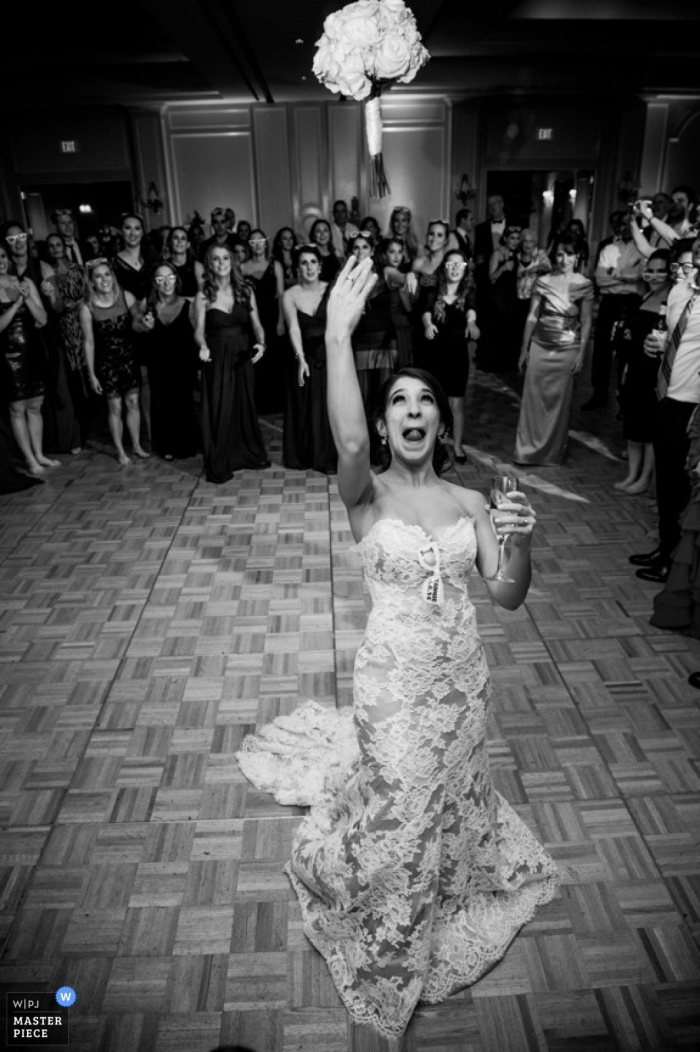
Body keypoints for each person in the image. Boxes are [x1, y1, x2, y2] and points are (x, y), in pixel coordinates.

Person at [237, 256, 559, 1040]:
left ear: (440, 423)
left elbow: (507, 594)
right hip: (391, 683)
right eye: (399, 404)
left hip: (462, 684)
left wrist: (520, 543)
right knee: (399, 796)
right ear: (383, 426)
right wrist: (336, 337)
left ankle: (446, 869)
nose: (413, 411)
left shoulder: (471, 499)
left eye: (425, 402)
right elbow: (342, 432)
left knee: (446, 796)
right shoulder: (365, 491)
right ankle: (393, 915)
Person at [630, 236, 700, 583]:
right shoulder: (679, 293)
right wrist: (656, 345)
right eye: (686, 263)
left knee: (681, 485)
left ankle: (675, 561)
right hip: (666, 396)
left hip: (692, 404)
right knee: (667, 483)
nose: (690, 269)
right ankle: (664, 547)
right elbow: (671, 338)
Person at [515, 234, 594, 466]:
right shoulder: (543, 281)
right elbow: (532, 315)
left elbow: (587, 321)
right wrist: (524, 348)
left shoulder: (584, 284)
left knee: (559, 403)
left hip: (568, 347)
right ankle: (527, 451)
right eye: (559, 254)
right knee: (533, 399)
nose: (563, 259)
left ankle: (552, 454)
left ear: (577, 256)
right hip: (540, 346)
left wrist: (581, 353)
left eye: (569, 254)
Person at [195, 244, 269, 484]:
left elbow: (257, 323)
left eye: (225, 258)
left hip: (242, 353)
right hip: (217, 355)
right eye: (216, 259)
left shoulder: (246, 290)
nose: (221, 263)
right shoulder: (203, 295)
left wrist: (262, 343)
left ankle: (245, 454)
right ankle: (220, 459)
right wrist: (203, 346)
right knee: (220, 406)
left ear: (232, 261)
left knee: (243, 403)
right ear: (210, 264)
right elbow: (198, 331)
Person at [80, 258, 150, 466]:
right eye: (98, 276)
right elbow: (89, 343)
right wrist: (91, 374)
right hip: (106, 363)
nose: (104, 279)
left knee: (133, 403)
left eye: (107, 274)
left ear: (113, 276)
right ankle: (120, 450)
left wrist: (144, 321)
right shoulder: (87, 307)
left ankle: (136, 445)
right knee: (116, 407)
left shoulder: (126, 297)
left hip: (129, 358)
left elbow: (138, 319)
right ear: (91, 282)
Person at [615, 250, 672, 494]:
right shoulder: (645, 295)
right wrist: (627, 366)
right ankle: (631, 475)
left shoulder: (671, 300)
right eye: (650, 270)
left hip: (655, 373)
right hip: (635, 369)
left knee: (649, 430)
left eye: (661, 270)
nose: (655, 275)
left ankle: (644, 480)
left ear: (670, 272)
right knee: (633, 426)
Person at [0, 243, 58, 477]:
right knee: (17, 408)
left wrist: (28, 298)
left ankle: (40, 453)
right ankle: (29, 459)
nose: (1, 261)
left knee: (36, 405)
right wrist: (15, 305)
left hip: (32, 351)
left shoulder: (25, 282)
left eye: (2, 256)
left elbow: (42, 318)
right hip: (8, 355)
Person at [420, 249, 479, 463]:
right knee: (435, 402)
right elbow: (426, 310)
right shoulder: (434, 289)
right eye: (451, 264)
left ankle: (458, 446)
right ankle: (436, 444)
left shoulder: (468, 291)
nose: (455, 268)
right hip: (435, 355)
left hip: (457, 356)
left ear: (465, 269)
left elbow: (471, 310)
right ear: (444, 267)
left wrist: (472, 323)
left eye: (460, 265)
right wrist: (427, 324)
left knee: (457, 404)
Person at [281, 244, 336, 473]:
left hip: (331, 354)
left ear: (320, 266)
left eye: (313, 262)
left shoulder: (332, 290)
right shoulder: (290, 295)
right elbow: (293, 329)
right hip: (303, 353)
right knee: (304, 407)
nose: (309, 267)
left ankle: (328, 457)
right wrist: (301, 358)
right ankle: (305, 455)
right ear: (297, 268)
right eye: (304, 263)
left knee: (329, 405)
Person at [583, 211, 644, 411]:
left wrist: (616, 275)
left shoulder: (643, 248)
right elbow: (600, 279)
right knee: (601, 347)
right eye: (618, 224)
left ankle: (623, 397)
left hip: (633, 302)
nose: (622, 227)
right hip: (610, 302)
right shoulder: (608, 248)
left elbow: (641, 275)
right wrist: (628, 277)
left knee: (627, 349)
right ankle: (599, 393)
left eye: (627, 223)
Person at [140, 262, 199, 460]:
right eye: (160, 279)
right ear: (155, 283)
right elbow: (136, 328)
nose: (166, 283)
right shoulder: (147, 305)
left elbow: (197, 337)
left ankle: (186, 444)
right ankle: (166, 446)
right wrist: (143, 326)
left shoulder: (188, 305)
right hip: (158, 364)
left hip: (182, 363)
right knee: (161, 404)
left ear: (176, 280)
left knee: (183, 403)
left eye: (170, 278)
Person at [349, 232, 396, 417]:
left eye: (365, 247)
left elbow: (405, 284)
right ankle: (365, 440)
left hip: (385, 339)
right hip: (361, 338)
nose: (360, 251)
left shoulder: (384, 272)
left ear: (372, 250)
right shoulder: (346, 277)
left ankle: (383, 440)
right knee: (362, 394)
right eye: (356, 247)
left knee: (385, 393)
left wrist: (410, 279)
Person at [241, 228, 285, 413]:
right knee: (256, 359)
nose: (257, 244)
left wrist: (281, 320)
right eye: (253, 241)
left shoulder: (275, 265)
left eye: (260, 241)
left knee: (273, 360)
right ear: (249, 245)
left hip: (272, 316)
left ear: (266, 243)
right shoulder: (242, 267)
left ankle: (275, 403)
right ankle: (257, 404)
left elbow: (281, 295)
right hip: (251, 318)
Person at [485, 225, 522, 371]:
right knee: (496, 330)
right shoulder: (497, 253)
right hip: (498, 297)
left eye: (517, 238)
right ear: (505, 238)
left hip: (511, 296)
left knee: (509, 331)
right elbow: (490, 277)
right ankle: (494, 364)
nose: (515, 241)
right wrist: (503, 268)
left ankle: (507, 364)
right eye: (512, 238)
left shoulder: (517, 254)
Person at [166, 227, 203, 298]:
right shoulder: (165, 266)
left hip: (193, 306)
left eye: (183, 238)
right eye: (176, 238)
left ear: (188, 244)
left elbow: (202, 296)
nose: (179, 241)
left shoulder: (197, 266)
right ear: (170, 242)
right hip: (170, 307)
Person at [309, 219, 341, 284]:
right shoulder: (310, 255)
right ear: (313, 235)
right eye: (318, 231)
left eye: (325, 230)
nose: (322, 234)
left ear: (330, 234)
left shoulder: (337, 253)